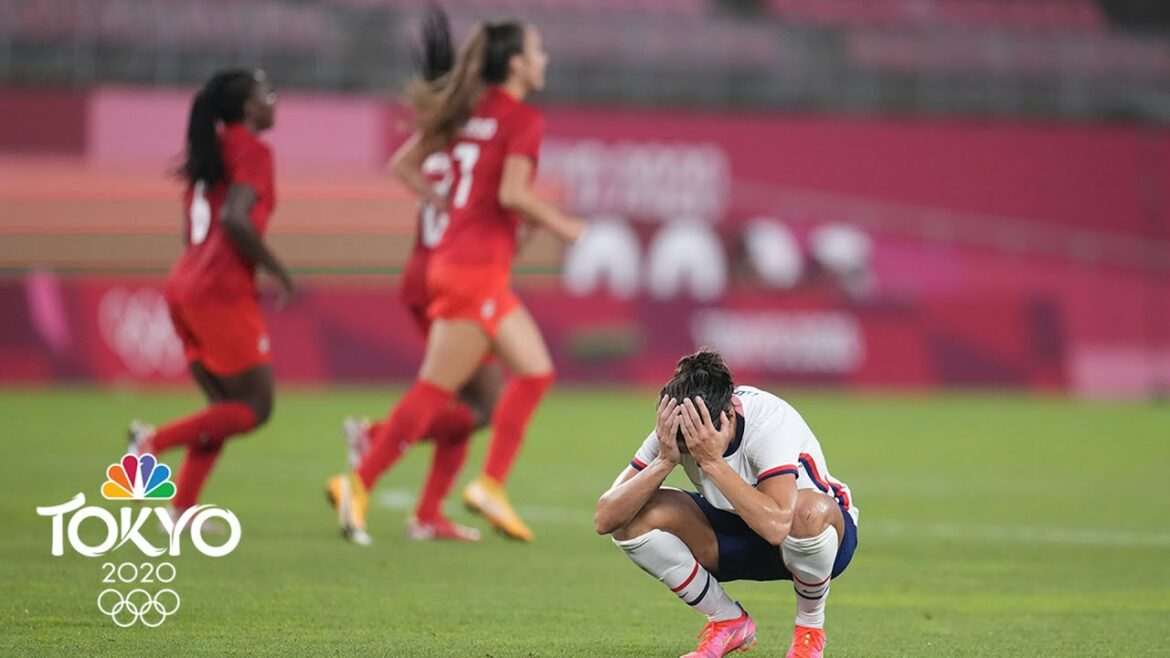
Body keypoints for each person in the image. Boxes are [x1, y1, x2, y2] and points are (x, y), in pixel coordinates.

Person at [327, 16, 585, 545]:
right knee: (437, 391)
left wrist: (450, 206)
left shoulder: (469, 112)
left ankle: (485, 485)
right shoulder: (522, 120)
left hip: (459, 263)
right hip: (474, 271)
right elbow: (513, 194)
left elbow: (406, 165)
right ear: (514, 64)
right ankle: (361, 479)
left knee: (534, 373)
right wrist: (564, 225)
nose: (544, 60)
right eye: (537, 51)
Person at [341, 7, 503, 543]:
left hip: (423, 272)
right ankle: (373, 448)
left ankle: (427, 513)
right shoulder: (477, 139)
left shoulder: (442, 136)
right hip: (450, 278)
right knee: (476, 402)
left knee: (466, 401)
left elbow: (405, 168)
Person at [594, 350, 858, 658]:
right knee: (632, 517)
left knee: (805, 512)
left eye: (695, 442)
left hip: (815, 544)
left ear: (729, 415)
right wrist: (665, 460)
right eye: (685, 444)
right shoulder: (678, 424)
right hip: (733, 538)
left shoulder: (769, 420)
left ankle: (809, 632)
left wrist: (711, 461)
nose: (690, 447)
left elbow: (776, 527)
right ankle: (727, 622)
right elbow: (605, 518)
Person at [128, 69, 295, 519]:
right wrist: (278, 270)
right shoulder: (254, 150)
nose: (275, 100)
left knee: (223, 410)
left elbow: (193, 230)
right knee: (255, 408)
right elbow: (235, 219)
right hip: (220, 292)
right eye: (268, 93)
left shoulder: (209, 154)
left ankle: (180, 509)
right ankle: (151, 443)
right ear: (248, 109)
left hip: (185, 285)